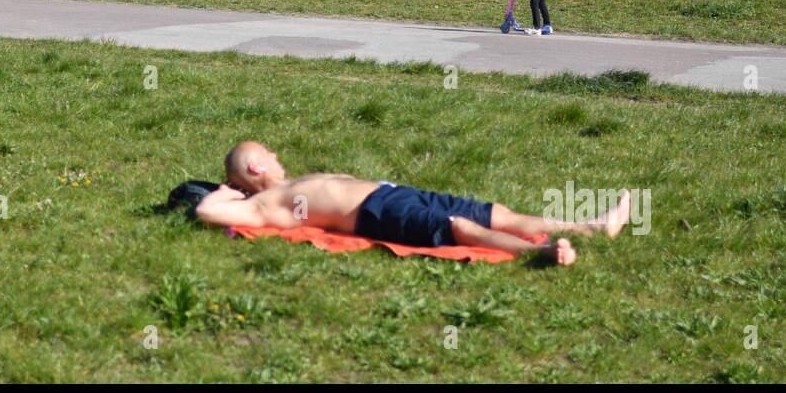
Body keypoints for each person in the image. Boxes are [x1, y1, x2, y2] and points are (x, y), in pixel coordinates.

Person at [194, 142, 634, 267]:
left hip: (394, 194)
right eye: (266, 152)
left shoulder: (292, 183)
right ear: (254, 167)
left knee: (494, 212)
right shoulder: (268, 201)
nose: (275, 154)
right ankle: (541, 253)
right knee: (459, 227)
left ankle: (591, 228)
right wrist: (226, 192)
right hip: (379, 215)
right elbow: (207, 212)